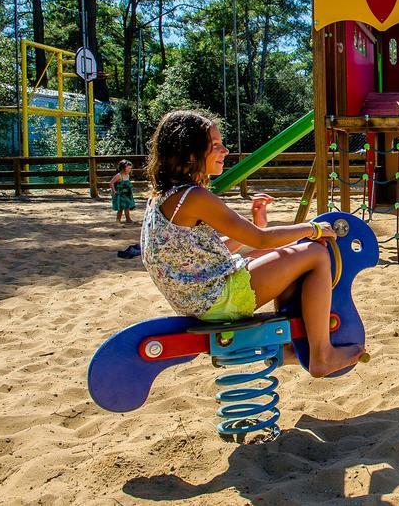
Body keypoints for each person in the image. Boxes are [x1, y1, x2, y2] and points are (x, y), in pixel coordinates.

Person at [140, 110, 364, 378]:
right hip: (218, 300)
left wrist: (258, 225)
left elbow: (204, 254)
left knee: (287, 256)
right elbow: (259, 240)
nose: (225, 149)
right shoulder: (194, 196)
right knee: (315, 253)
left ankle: (294, 344)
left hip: (200, 299)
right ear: (189, 154)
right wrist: (313, 228)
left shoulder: (163, 199)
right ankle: (321, 355)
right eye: (214, 145)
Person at [109, 159, 136, 224]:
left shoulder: (127, 175)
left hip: (127, 194)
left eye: (130, 168)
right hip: (120, 194)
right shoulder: (119, 175)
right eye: (128, 168)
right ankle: (118, 219)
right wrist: (114, 191)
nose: (130, 170)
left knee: (127, 206)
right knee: (121, 207)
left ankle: (127, 219)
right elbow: (111, 183)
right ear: (123, 168)